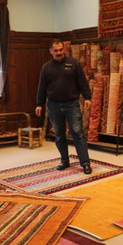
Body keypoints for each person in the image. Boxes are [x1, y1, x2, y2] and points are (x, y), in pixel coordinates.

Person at [36, 39, 93, 174]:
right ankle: (64, 160)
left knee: (78, 134)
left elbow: (82, 82)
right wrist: (39, 104)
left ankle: (85, 163)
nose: (59, 53)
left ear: (64, 50)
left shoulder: (73, 63)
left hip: (71, 104)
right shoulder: (46, 68)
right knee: (59, 135)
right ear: (51, 51)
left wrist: (88, 97)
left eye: (61, 50)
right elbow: (41, 87)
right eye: (55, 51)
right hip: (53, 106)